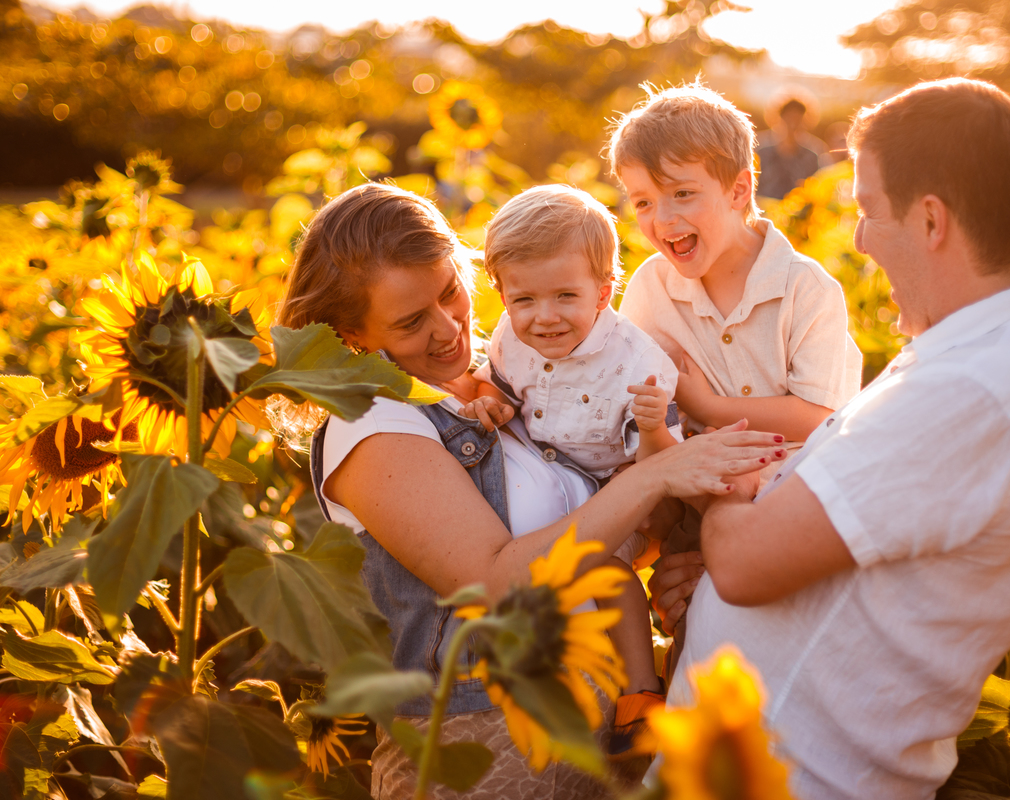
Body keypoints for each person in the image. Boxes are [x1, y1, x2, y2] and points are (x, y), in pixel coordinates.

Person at [647, 78, 1010, 799]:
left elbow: (747, 566)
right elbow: (865, 541)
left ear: (931, 220)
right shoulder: (990, 348)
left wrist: (731, 484)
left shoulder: (977, 389)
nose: (858, 239)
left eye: (868, 212)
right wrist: (720, 568)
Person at [277, 183, 787, 799]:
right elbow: (494, 583)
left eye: (449, 292)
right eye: (411, 322)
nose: (447, 328)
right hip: (484, 753)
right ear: (352, 335)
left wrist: (680, 555)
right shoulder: (372, 425)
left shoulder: (509, 380)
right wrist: (654, 476)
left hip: (606, 736)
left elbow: (600, 540)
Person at [607, 80, 862, 683]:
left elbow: (821, 417)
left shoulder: (805, 288)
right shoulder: (650, 289)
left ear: (739, 190)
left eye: (682, 194)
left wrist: (706, 403)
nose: (662, 219)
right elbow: (642, 417)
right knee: (697, 682)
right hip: (694, 525)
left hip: (797, 526)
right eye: (642, 202)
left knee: (790, 685)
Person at [463, 184, 681, 758]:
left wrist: (653, 426)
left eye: (565, 296)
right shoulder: (510, 338)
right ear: (502, 294)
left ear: (603, 291)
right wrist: (490, 401)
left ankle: (641, 693)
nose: (545, 317)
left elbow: (660, 470)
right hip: (550, 474)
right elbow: (498, 385)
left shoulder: (638, 364)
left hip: (621, 488)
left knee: (604, 566)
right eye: (524, 299)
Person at [754, 91, 827, 200]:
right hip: (764, 207)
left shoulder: (812, 155)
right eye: (789, 118)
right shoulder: (762, 151)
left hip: (798, 208)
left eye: (797, 119)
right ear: (779, 118)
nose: (793, 124)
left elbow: (816, 188)